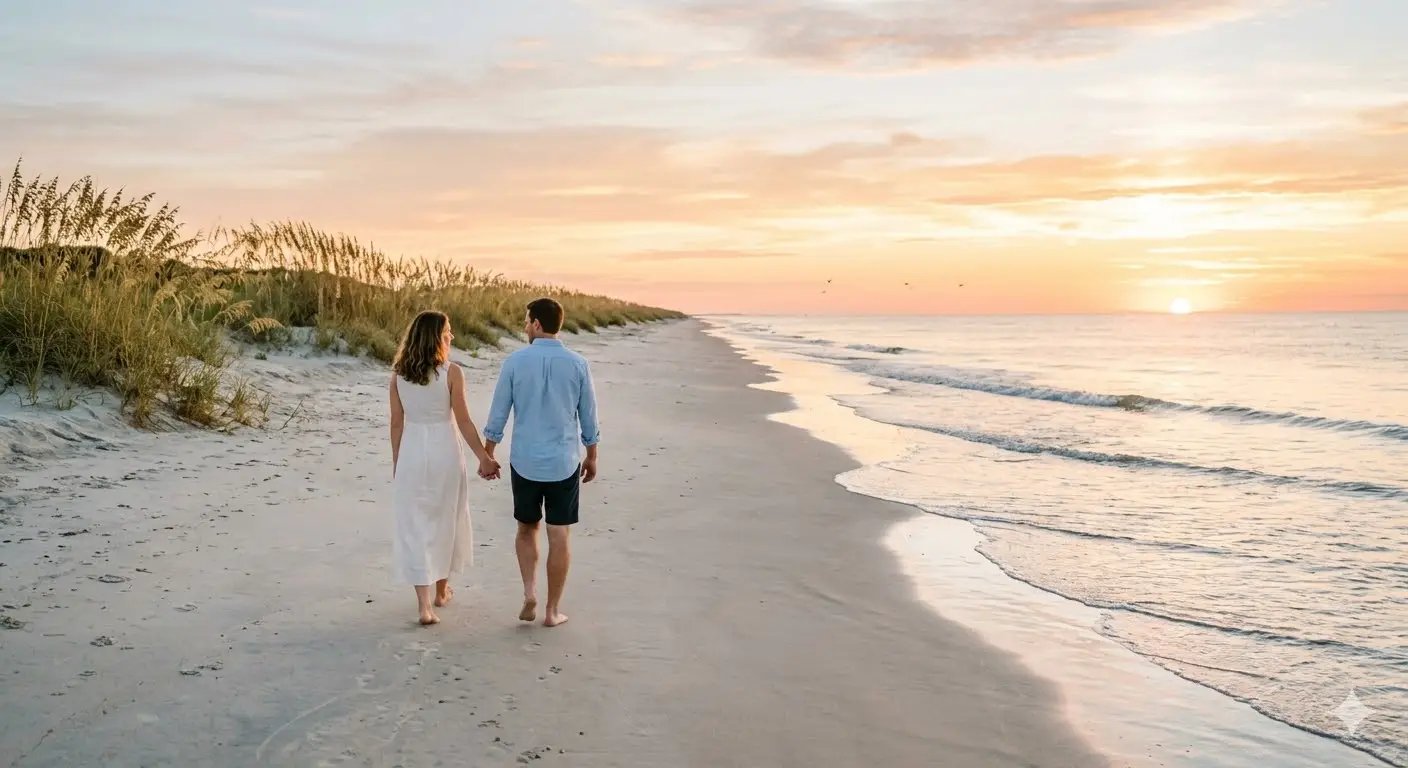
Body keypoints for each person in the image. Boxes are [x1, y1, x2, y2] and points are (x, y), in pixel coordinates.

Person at [483, 298, 600, 628]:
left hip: (525, 461)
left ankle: (529, 592)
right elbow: (588, 418)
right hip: (563, 461)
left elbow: (498, 414)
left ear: (536, 324)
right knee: (559, 533)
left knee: (526, 527)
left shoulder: (515, 362)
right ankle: (551, 611)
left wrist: (488, 454)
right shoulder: (578, 364)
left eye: (526, 321)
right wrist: (592, 456)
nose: (524, 327)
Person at [388, 310, 500, 626]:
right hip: (445, 451)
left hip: (412, 451)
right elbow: (463, 420)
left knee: (415, 525)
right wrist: (483, 457)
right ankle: (441, 591)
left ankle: (425, 606)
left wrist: (399, 463)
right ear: (437, 336)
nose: (451, 336)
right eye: (448, 331)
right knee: (445, 518)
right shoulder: (452, 373)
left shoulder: (398, 376)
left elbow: (396, 425)